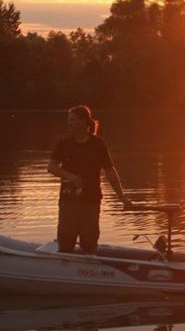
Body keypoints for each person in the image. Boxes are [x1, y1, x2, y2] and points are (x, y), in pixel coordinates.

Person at [47, 105, 133, 254]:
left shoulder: (98, 145)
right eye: (69, 120)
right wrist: (71, 177)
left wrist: (122, 197)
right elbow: (51, 167)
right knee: (66, 243)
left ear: (83, 121)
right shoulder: (64, 143)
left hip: (91, 201)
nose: (69, 124)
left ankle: (90, 268)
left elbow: (110, 172)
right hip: (68, 201)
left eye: (72, 120)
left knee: (89, 242)